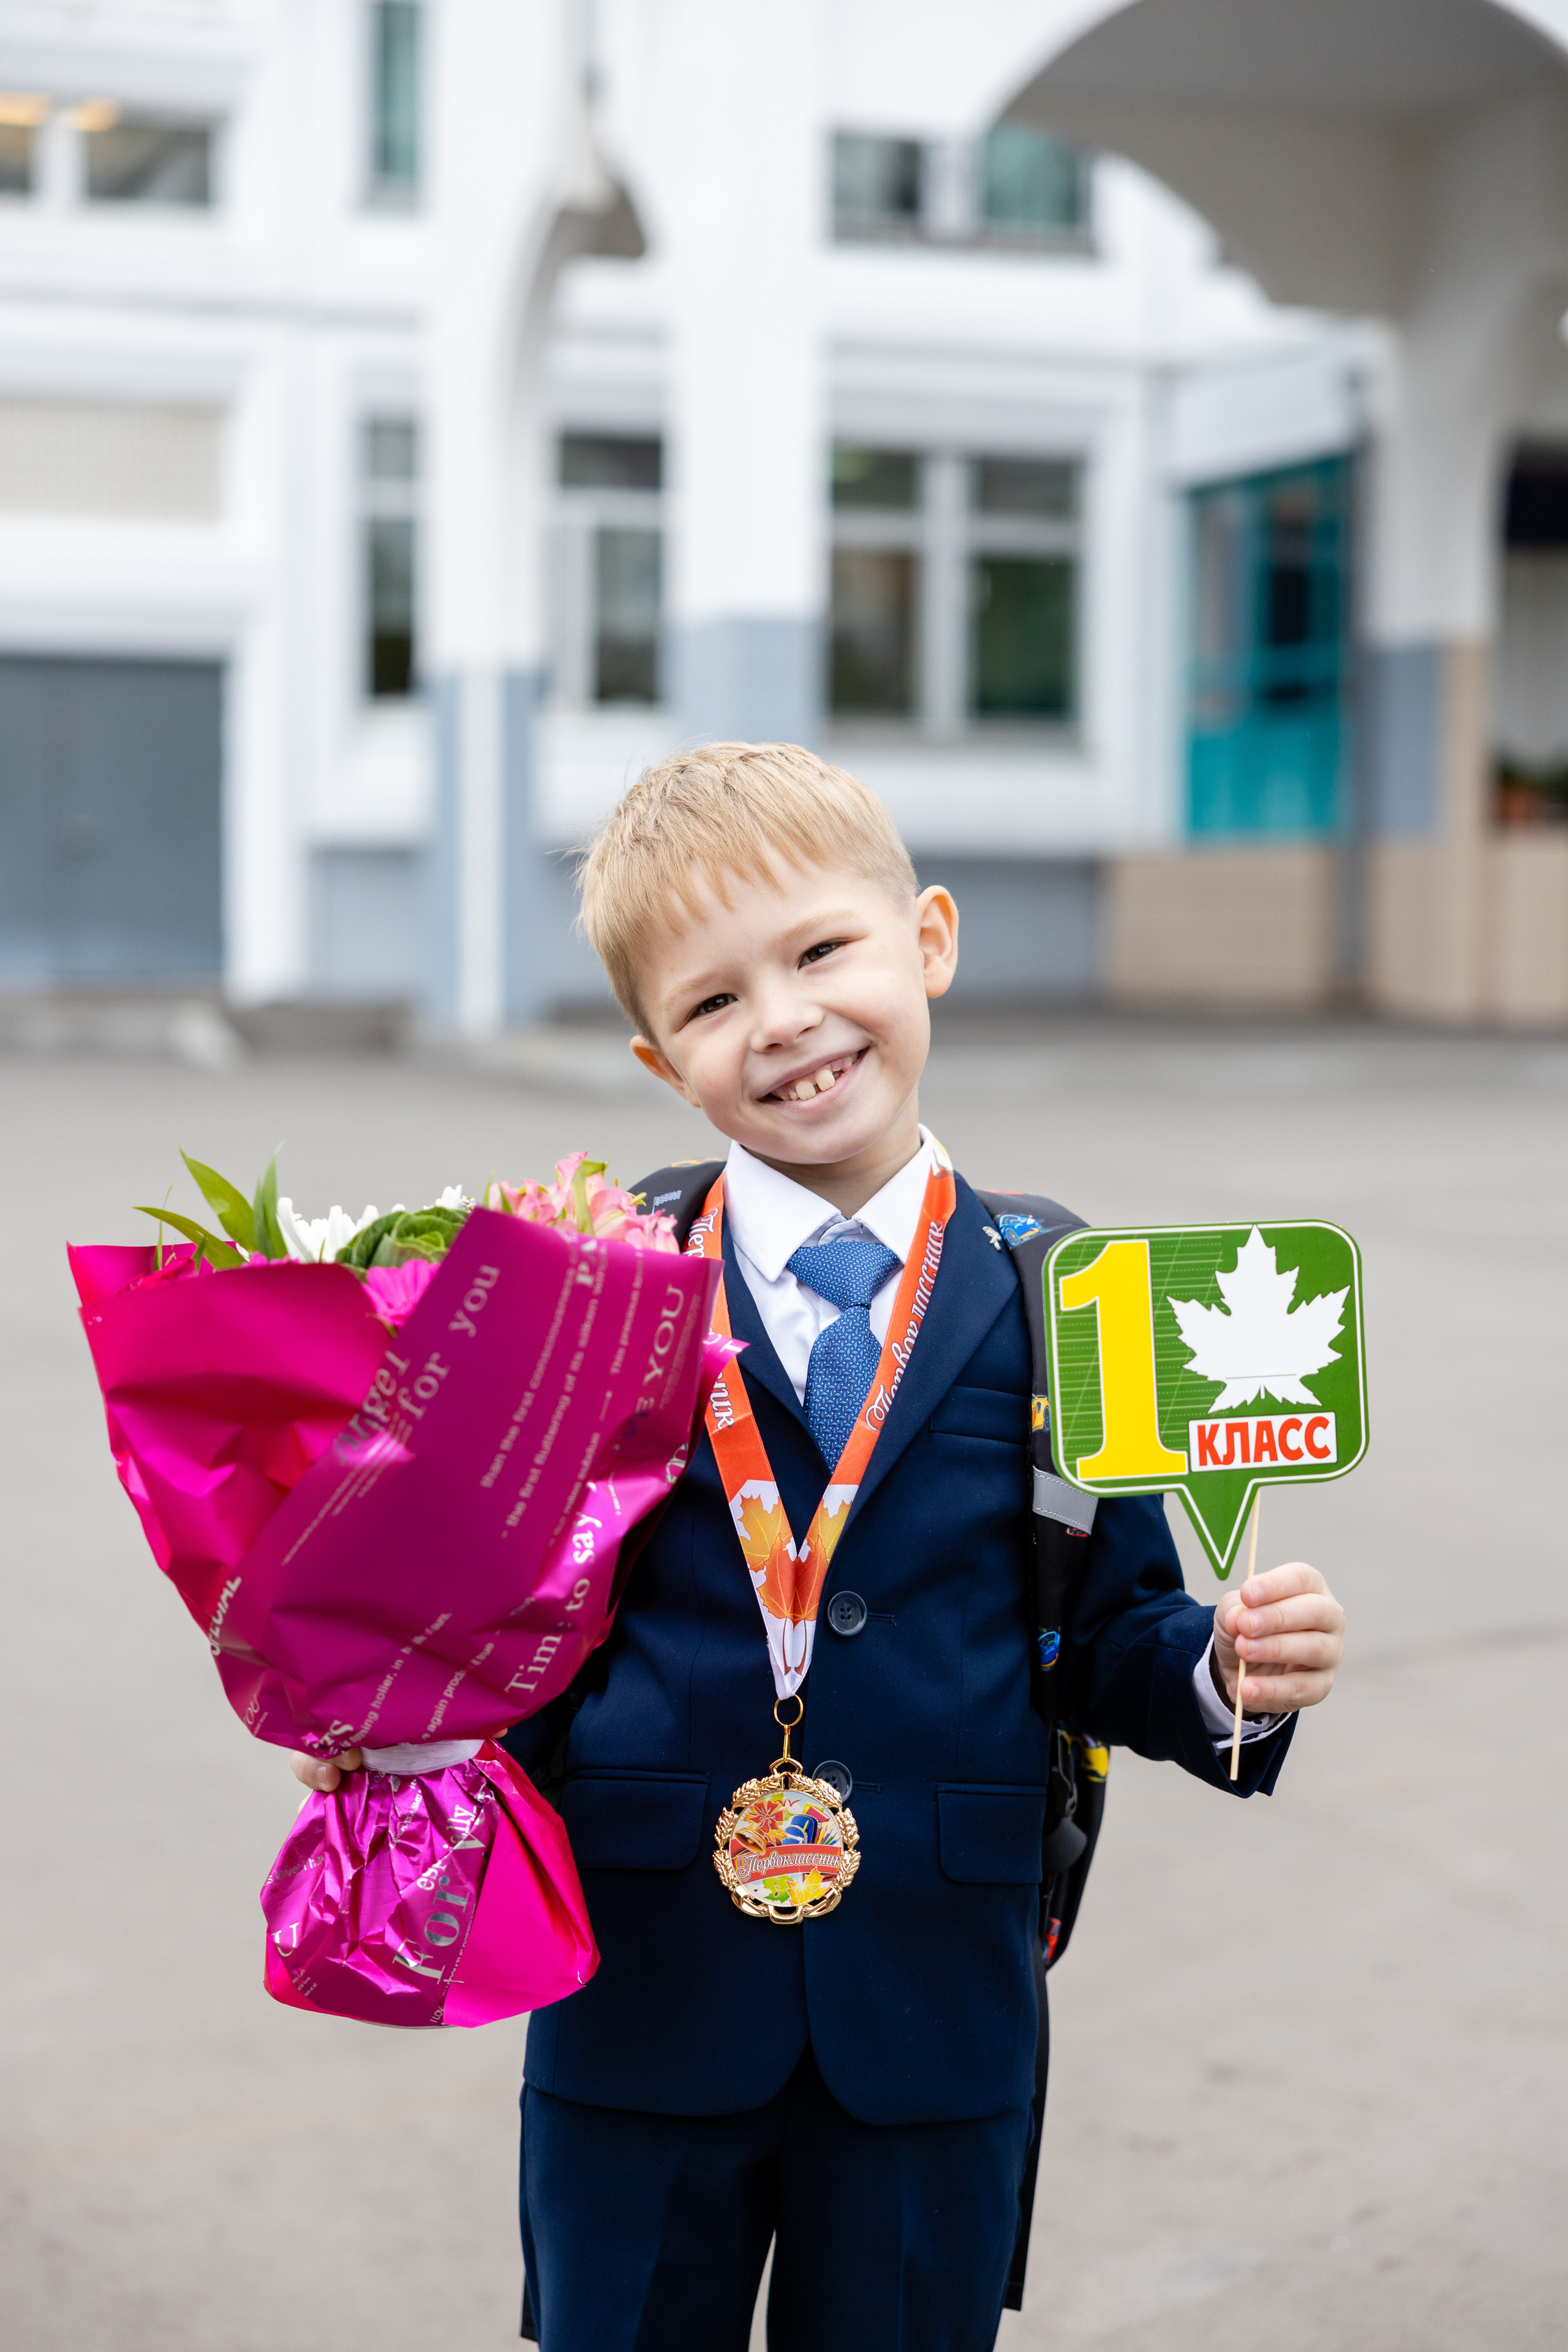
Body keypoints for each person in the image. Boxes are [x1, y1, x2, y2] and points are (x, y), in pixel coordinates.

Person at [293, 742, 1346, 2352]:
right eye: (713, 1003)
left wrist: (1220, 1667)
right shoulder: (587, 1281)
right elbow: (500, 1614)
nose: (781, 1019)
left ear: (926, 941)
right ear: (662, 1064)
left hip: (939, 2011)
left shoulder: (1078, 1293)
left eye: (820, 952)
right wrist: (386, 1711)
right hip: (638, 1998)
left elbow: (1114, 1630)